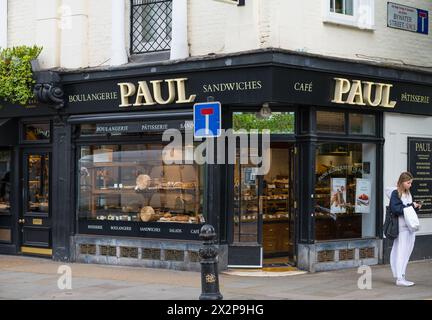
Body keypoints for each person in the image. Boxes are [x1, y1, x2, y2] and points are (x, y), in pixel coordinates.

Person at [386, 171, 421, 287]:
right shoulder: (396, 193)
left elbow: (407, 210)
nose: (410, 185)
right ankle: (399, 278)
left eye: (411, 183)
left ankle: (402, 275)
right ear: (402, 182)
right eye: (408, 183)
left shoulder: (408, 193)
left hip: (409, 227)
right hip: (401, 227)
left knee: (406, 251)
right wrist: (411, 206)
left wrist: (416, 207)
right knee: (400, 251)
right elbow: (396, 209)